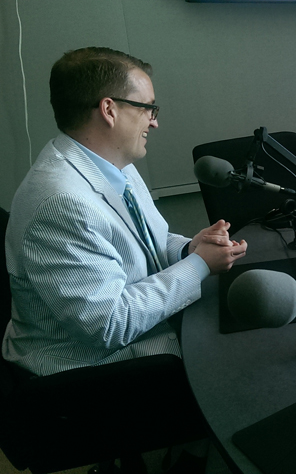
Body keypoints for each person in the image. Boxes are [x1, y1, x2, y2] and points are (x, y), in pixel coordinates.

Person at [2, 47, 247, 472]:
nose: (155, 120)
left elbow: (152, 242)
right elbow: (109, 325)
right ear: (109, 109)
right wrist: (199, 266)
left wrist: (191, 248)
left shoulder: (109, 163)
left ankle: (187, 452)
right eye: (148, 107)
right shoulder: (60, 201)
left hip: (113, 340)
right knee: (238, 370)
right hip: (79, 373)